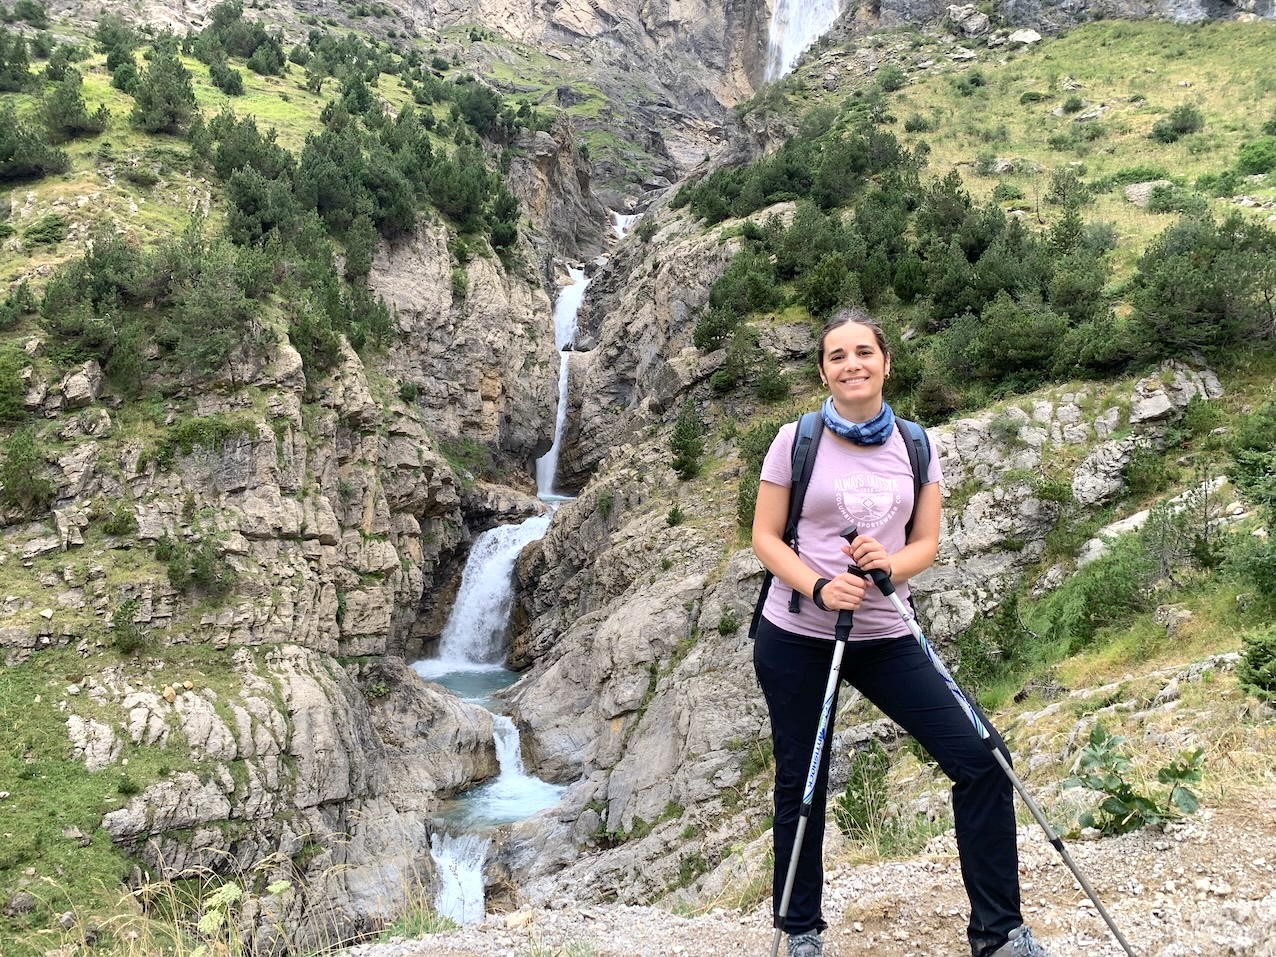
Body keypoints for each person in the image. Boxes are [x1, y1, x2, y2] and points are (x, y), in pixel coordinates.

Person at [751, 308, 1053, 957]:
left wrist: (889, 565)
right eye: (838, 355)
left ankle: (998, 933)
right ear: (824, 370)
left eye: (864, 351)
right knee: (801, 782)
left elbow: (927, 542)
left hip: (887, 631)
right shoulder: (795, 439)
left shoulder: (915, 443)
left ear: (886, 362)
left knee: (982, 758)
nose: (852, 363)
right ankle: (801, 930)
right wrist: (820, 585)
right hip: (800, 631)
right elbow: (765, 537)